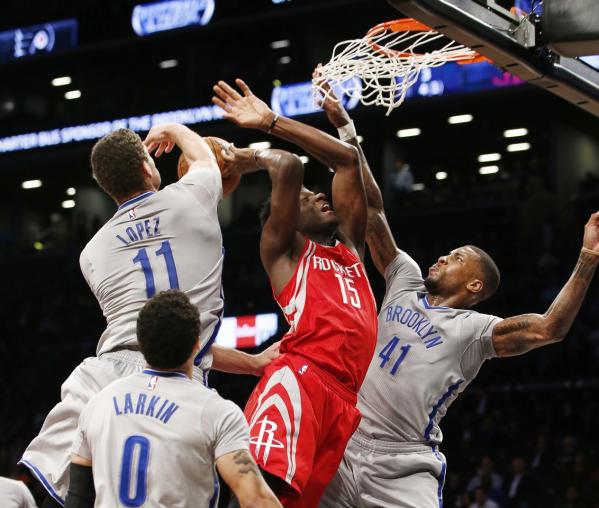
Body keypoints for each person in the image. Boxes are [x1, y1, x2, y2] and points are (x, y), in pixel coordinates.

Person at [314, 77, 599, 508]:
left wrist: (587, 257)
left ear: (475, 285)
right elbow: (375, 210)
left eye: (456, 257)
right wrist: (347, 131)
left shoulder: (474, 331)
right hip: (345, 439)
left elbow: (549, 328)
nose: (442, 257)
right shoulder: (405, 278)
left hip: (403, 464)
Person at [21, 124, 279, 506]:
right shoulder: (193, 196)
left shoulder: (91, 253)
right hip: (177, 379)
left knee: (40, 489)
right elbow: (205, 158)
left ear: (106, 187)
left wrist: (252, 363)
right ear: (147, 166)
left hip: (102, 382)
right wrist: (173, 130)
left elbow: (155, 340)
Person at [212, 79, 377, 507]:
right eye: (306, 199)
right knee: (257, 497)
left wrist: (329, 123)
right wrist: (255, 143)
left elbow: (346, 162)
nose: (319, 195)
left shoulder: (351, 247)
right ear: (288, 219)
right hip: (299, 381)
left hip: (343, 401)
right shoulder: (285, 250)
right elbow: (287, 168)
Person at [65, 290, 281, 508]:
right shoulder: (216, 411)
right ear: (198, 345)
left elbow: (77, 498)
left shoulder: (98, 404)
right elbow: (256, 500)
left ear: (141, 341)